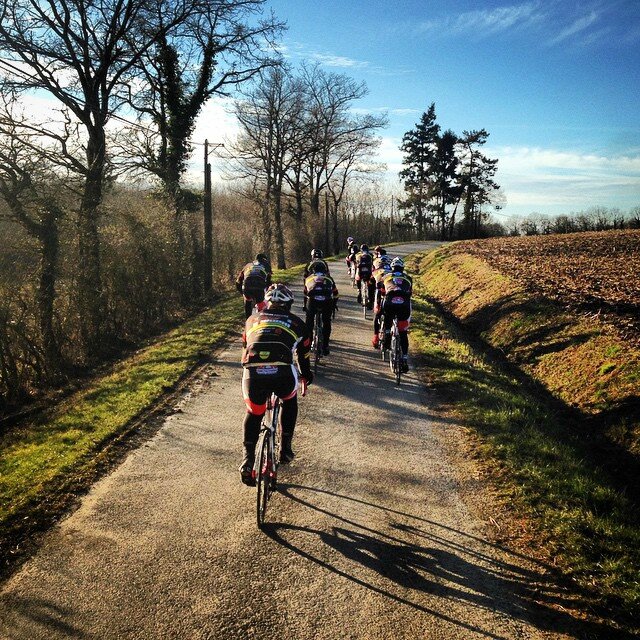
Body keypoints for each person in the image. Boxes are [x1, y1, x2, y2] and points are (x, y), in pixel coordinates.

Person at [239, 283, 313, 485]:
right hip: (282, 372)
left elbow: (246, 346)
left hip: (253, 373)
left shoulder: (251, 319)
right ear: (289, 304)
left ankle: (247, 460)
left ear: (267, 302)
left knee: (254, 412)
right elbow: (304, 355)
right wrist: (306, 376)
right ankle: (286, 448)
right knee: (290, 399)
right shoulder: (297, 323)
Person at [377, 257, 413, 372]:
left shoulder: (386, 277)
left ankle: (387, 333)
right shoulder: (408, 278)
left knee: (387, 317)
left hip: (390, 303)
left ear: (392, 268)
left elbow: (382, 293)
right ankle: (405, 358)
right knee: (403, 333)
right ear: (403, 268)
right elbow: (409, 293)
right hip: (404, 306)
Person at [304, 262, 339, 355]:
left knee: (309, 322)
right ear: (324, 270)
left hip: (312, 302)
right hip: (327, 302)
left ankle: (308, 344)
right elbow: (335, 294)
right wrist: (334, 304)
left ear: (313, 271)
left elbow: (305, 294)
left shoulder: (308, 279)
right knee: (327, 322)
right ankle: (325, 346)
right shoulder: (329, 279)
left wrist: (305, 306)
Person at [235, 253, 272, 319]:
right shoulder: (266, 265)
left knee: (247, 301)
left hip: (247, 286)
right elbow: (269, 281)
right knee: (261, 304)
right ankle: (261, 321)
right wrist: (267, 294)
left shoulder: (248, 265)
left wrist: (242, 293)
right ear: (265, 260)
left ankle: (248, 321)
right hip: (259, 286)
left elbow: (238, 281)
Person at [372, 254, 392, 345]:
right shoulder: (392, 271)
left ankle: (375, 337)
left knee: (377, 315)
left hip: (379, 293)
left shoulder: (376, 271)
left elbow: (371, 281)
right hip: (390, 295)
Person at [355, 244, 375, 309]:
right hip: (369, 273)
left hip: (360, 273)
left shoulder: (358, 255)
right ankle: (371, 301)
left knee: (357, 278)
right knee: (371, 285)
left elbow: (357, 263)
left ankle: (359, 291)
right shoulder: (371, 255)